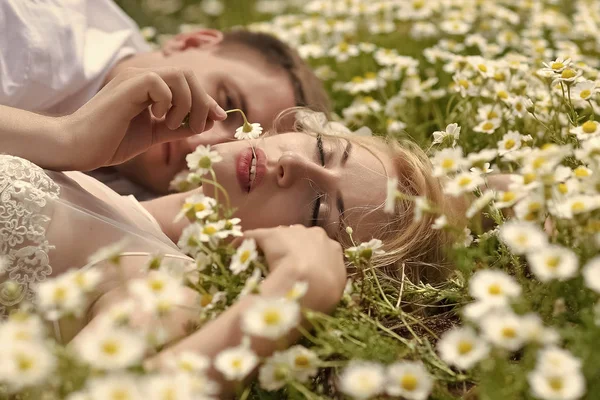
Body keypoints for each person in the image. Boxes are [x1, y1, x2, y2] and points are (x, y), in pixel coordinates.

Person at [0, 67, 450, 394]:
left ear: (304, 248)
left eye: (318, 209)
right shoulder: (110, 187)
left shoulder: (169, 290)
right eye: (323, 150)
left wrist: (288, 298)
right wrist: (64, 138)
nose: (293, 164)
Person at [0, 0, 330, 199]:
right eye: (228, 102)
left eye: (240, 150)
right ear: (190, 42)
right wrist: (64, 138)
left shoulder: (147, 196)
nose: (203, 142)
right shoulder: (27, 30)